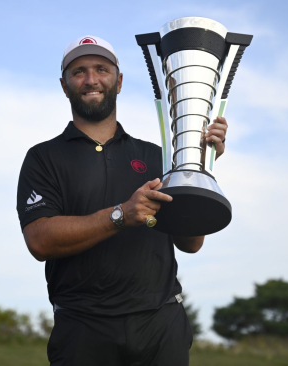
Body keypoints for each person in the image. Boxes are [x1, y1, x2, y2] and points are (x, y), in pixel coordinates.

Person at [16, 35, 228, 366]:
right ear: (64, 84)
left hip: (160, 325)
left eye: (102, 69)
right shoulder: (44, 158)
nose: (91, 79)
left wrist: (197, 167)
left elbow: (191, 242)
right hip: (82, 328)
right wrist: (121, 215)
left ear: (119, 82)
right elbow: (40, 241)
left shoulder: (157, 156)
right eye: (79, 71)